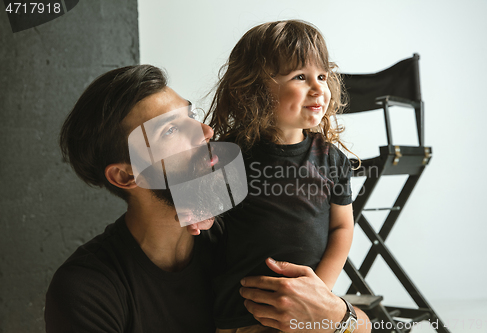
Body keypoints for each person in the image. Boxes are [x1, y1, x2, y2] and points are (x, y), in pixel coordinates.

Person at [45, 64, 370, 332]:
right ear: (127, 175)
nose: (206, 132)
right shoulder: (88, 291)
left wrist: (338, 319)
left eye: (191, 115)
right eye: (170, 131)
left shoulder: (241, 233)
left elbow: (368, 327)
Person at [207, 20, 366, 332]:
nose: (319, 87)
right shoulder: (226, 156)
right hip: (240, 315)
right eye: (300, 77)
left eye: (322, 75)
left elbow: (342, 227)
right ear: (255, 89)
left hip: (307, 314)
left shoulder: (331, 159)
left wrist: (319, 291)